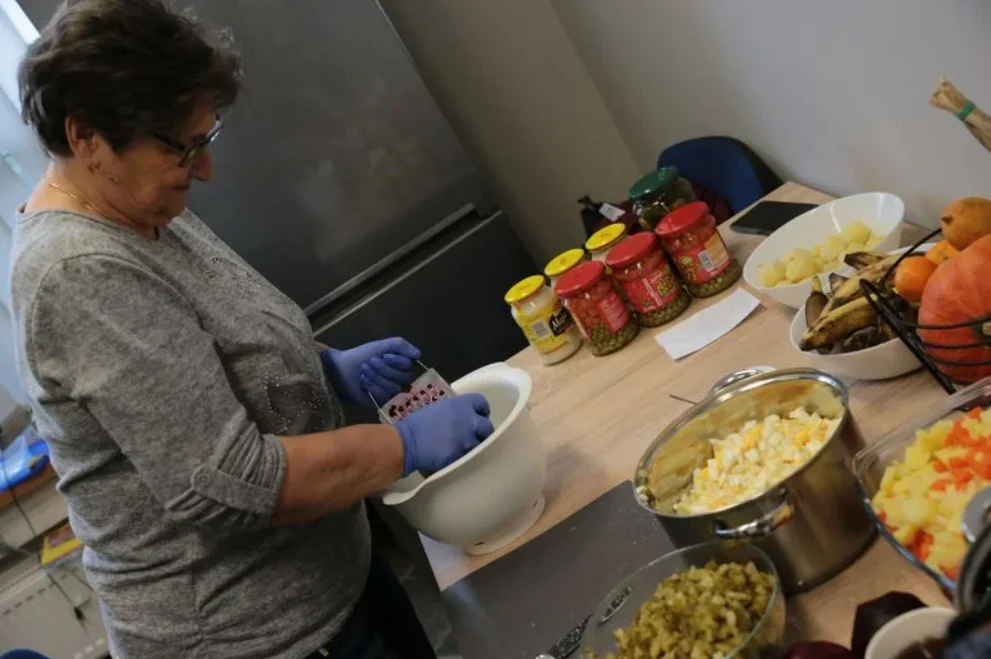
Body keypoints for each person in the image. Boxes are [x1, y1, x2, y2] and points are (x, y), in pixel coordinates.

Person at [10, 1, 495, 658]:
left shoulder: (137, 202)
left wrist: (322, 366)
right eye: (183, 146)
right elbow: (233, 482)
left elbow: (216, 344)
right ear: (86, 137)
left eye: (204, 138)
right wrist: (401, 446)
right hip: (257, 636)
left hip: (331, 578)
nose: (204, 168)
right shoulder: (77, 272)